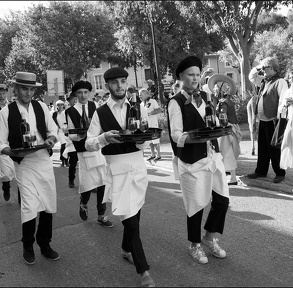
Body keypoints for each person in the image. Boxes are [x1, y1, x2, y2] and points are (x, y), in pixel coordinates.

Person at [85, 67, 155, 287]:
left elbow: (145, 137)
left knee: (135, 216)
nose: (120, 86)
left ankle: (126, 249)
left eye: (123, 81)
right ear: (107, 86)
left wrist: (142, 139)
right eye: (114, 82)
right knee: (131, 222)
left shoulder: (138, 107)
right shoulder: (100, 112)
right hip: (116, 170)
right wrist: (104, 138)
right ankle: (144, 272)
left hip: (138, 168)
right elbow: (88, 143)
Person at [167, 55, 230, 265]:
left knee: (222, 201)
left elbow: (212, 122)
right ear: (181, 77)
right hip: (191, 161)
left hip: (212, 156)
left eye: (197, 75)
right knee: (195, 205)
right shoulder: (175, 103)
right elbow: (176, 135)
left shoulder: (206, 96)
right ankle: (194, 245)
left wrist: (225, 127)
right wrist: (195, 137)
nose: (195, 78)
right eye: (190, 75)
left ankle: (210, 237)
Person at [0, 71, 60, 265]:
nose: (28, 93)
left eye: (31, 89)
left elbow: (53, 130)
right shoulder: (5, 113)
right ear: (15, 89)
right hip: (24, 165)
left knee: (48, 205)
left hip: (44, 162)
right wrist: (15, 153)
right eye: (24, 88)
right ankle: (28, 245)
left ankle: (45, 244)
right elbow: (2, 144)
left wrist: (50, 139)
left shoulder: (41, 107)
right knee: (29, 206)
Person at [66, 80, 113, 228]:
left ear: (89, 93)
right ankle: (83, 203)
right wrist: (78, 137)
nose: (83, 95)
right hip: (83, 151)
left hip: (97, 149)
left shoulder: (95, 106)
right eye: (80, 93)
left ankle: (101, 215)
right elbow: (70, 133)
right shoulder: (70, 111)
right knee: (87, 185)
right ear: (76, 94)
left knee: (102, 183)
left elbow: (101, 125)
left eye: (85, 92)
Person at [247, 57, 288, 183]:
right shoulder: (264, 81)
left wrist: (280, 119)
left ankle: (280, 172)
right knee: (263, 148)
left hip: (274, 120)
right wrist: (259, 67)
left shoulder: (280, 82)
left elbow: (283, 101)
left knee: (274, 148)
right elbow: (252, 77)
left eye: (266, 67)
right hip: (263, 120)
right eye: (263, 68)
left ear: (273, 68)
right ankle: (261, 171)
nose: (263, 70)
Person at [139, 88, 162, 162]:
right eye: (139, 96)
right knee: (149, 140)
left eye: (141, 95)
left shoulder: (152, 101)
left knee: (155, 139)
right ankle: (152, 155)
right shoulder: (141, 104)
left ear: (146, 94)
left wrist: (149, 113)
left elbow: (158, 110)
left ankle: (158, 155)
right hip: (146, 125)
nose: (140, 97)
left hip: (153, 123)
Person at [63, 92, 78, 188]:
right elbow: (65, 127)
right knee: (73, 162)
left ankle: (91, 184)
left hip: (84, 139)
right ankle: (71, 179)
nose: (72, 101)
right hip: (72, 140)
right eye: (70, 100)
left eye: (73, 99)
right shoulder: (68, 111)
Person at [52, 100, 69, 167]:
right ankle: (62, 160)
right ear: (57, 106)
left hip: (66, 130)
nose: (60, 106)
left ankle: (66, 160)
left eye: (61, 104)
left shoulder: (66, 112)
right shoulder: (55, 114)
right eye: (58, 105)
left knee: (67, 145)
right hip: (59, 131)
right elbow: (53, 122)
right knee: (63, 145)